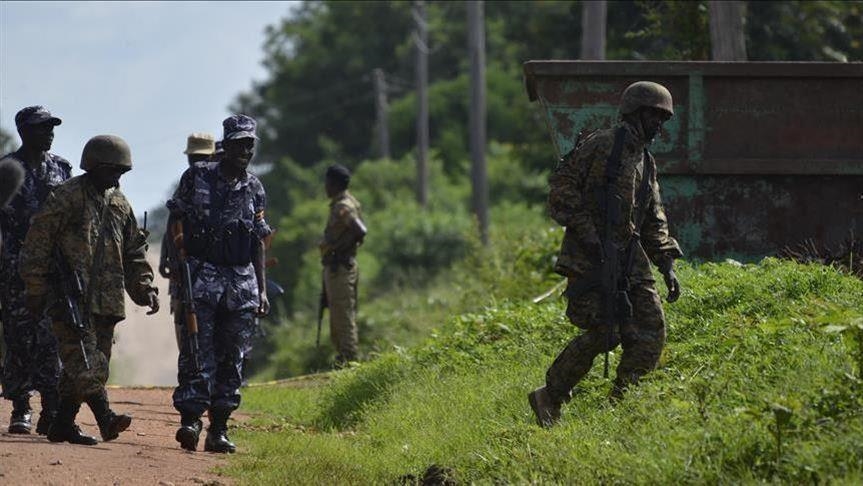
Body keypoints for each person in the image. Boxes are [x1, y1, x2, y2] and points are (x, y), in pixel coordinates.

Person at [529, 81, 683, 427]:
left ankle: (621, 409)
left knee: (651, 331)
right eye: (654, 116)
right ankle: (549, 395)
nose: (659, 125)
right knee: (606, 333)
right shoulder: (602, 145)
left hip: (629, 259)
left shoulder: (645, 160)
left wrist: (666, 263)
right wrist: (590, 235)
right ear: (635, 113)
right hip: (590, 258)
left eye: (663, 119)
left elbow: (653, 218)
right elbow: (561, 191)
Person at [20, 134, 159, 444]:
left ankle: (62, 424)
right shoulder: (67, 196)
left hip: (107, 302)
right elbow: (38, 243)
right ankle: (105, 418)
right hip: (70, 296)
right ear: (93, 166)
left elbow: (134, 250)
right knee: (84, 361)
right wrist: (36, 287)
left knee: (89, 365)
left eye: (121, 172)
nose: (116, 177)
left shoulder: (120, 202)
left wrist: (144, 288)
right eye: (111, 170)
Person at [168, 114, 271, 453]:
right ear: (224, 145)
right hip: (202, 278)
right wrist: (177, 261)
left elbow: (258, 241)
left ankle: (220, 428)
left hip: (241, 284)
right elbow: (176, 218)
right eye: (240, 143)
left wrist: (263, 289)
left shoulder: (255, 187)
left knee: (233, 358)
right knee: (198, 353)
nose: (246, 150)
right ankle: (191, 419)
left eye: (250, 144)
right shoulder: (197, 176)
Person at [0, 106, 71, 435]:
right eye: (43, 127)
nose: (50, 132)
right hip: (15, 266)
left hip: (53, 268)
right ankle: (21, 407)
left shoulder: (62, 169)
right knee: (18, 336)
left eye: (51, 127)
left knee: (52, 338)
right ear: (25, 132)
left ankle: (51, 406)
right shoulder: (6, 169)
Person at [159, 133, 216, 348]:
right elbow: (172, 222)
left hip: (214, 267)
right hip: (184, 266)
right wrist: (167, 257)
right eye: (194, 158)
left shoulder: (223, 182)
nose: (197, 162)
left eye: (202, 157)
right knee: (184, 318)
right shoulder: (185, 183)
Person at [319, 164, 366, 366]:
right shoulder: (346, 202)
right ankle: (344, 357)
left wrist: (339, 249)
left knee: (343, 316)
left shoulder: (342, 206)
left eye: (327, 182)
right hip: (338, 267)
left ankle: (350, 359)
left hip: (340, 268)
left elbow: (360, 230)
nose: (325, 187)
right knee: (339, 314)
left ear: (334, 184)